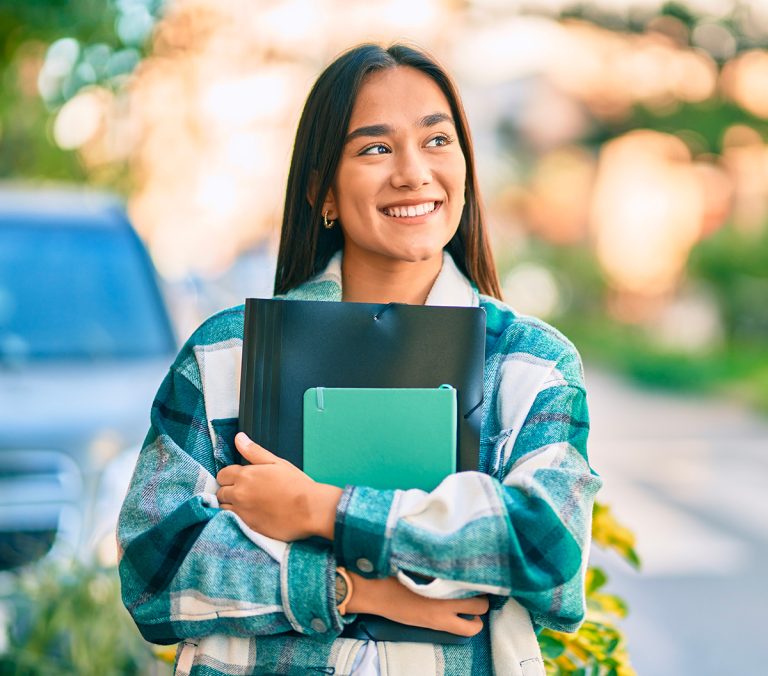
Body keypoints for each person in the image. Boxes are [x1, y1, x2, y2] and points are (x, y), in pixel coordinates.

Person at [118, 43, 602, 676]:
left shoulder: (528, 365)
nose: (412, 173)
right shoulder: (228, 354)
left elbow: (546, 551)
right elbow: (154, 572)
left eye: (436, 141)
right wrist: (352, 589)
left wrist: (319, 508)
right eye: (376, 148)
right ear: (322, 188)